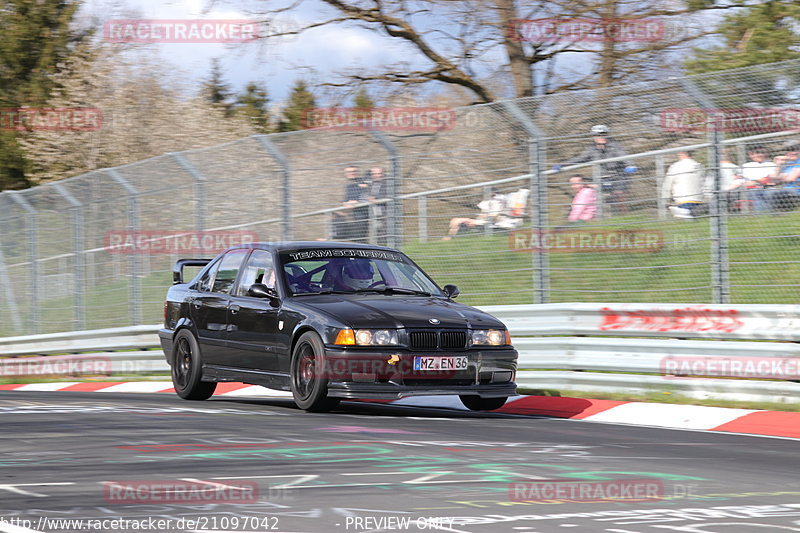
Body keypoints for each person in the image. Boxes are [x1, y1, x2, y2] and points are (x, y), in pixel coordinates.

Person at [554, 125, 637, 213]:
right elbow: (580, 158)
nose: (601, 137)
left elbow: (623, 155)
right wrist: (562, 164)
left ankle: (624, 214)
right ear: (594, 137)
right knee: (582, 183)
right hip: (603, 177)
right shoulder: (592, 149)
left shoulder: (614, 145)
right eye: (598, 135)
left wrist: (630, 165)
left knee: (619, 193)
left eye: (603, 134)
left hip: (618, 176)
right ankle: (586, 212)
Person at [332, 165, 370, 242]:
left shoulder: (363, 183)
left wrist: (356, 202)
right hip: (352, 217)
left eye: (354, 171)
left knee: (360, 239)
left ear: (357, 172)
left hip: (362, 215)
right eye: (349, 172)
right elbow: (346, 200)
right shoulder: (349, 186)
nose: (351, 173)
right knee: (354, 240)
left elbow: (367, 196)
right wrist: (345, 203)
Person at [663, 150, 705, 218]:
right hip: (698, 199)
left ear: (682, 154)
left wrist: (666, 197)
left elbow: (668, 182)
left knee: (684, 218)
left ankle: (686, 213)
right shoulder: (699, 166)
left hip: (682, 199)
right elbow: (703, 182)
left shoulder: (676, 166)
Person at [740, 146, 778, 212]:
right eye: (757, 152)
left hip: (768, 188)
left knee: (770, 192)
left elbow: (771, 179)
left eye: (763, 152)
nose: (760, 155)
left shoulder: (771, 164)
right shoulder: (746, 165)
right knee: (755, 192)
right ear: (751, 154)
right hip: (752, 188)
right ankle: (760, 214)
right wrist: (761, 180)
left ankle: (766, 213)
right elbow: (747, 180)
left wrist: (758, 181)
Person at [366, 167, 389, 244]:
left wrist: (376, 199)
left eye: (379, 173)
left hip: (385, 211)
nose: (376, 175)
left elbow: (389, 195)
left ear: (383, 174)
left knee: (385, 232)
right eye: (374, 174)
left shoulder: (387, 183)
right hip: (374, 212)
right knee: (376, 232)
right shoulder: (370, 185)